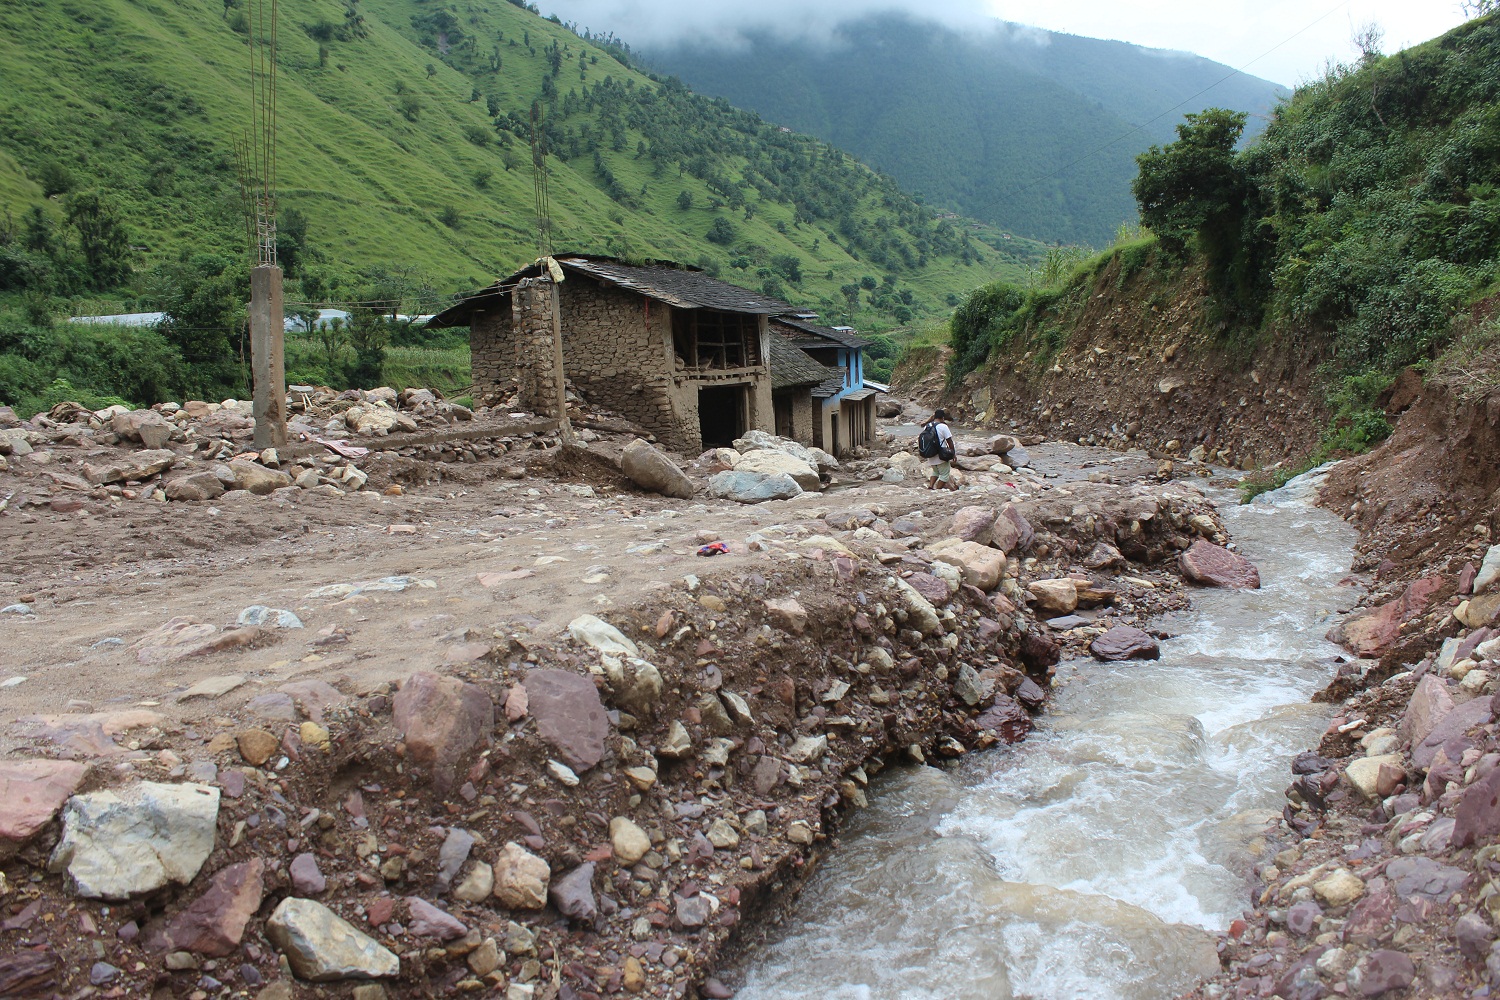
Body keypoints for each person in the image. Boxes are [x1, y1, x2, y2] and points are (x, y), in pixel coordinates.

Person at [922, 408, 958, 491]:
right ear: (943, 417)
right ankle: (938, 490)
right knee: (944, 475)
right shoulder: (943, 426)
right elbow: (949, 441)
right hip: (941, 454)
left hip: (930, 453)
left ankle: (931, 486)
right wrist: (953, 453)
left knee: (935, 471)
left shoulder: (927, 426)